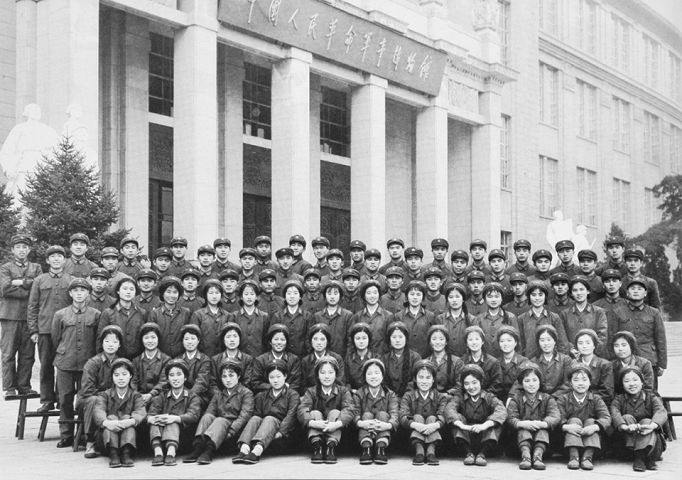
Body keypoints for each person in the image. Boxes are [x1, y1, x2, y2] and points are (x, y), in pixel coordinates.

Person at [51, 278, 100, 448]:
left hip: (87, 363)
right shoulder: (60, 314)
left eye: (83, 290)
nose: (79, 294)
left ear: (88, 293)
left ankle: (84, 433)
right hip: (65, 362)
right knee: (64, 398)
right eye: (76, 291)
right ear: (70, 293)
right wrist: (65, 351)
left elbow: (97, 339)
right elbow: (56, 338)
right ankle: (66, 434)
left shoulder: (95, 314)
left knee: (84, 399)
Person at [28, 245, 73, 411]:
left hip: (66, 330)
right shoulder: (39, 280)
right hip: (45, 330)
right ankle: (47, 400)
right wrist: (34, 330)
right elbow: (32, 306)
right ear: (47, 260)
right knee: (46, 366)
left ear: (64, 260)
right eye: (53, 256)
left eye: (59, 256)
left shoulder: (71, 280)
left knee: (63, 367)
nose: (56, 259)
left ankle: (62, 400)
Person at [185, 358, 254, 465]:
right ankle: (198, 448)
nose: (228, 380)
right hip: (216, 430)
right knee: (207, 417)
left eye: (231, 375)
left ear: (239, 376)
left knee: (220, 420)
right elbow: (210, 411)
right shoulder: (219, 394)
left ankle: (209, 451)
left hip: (233, 432)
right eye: (224, 376)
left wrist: (231, 431)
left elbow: (244, 416)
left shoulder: (246, 393)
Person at [232, 359, 299, 464]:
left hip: (281, 436)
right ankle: (244, 449)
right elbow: (258, 416)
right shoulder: (261, 396)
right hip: (263, 434)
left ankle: (256, 452)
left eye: (278, 377)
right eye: (271, 377)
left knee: (269, 418)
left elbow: (291, 416)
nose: (275, 380)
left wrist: (280, 433)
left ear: (285, 376)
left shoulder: (292, 395)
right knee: (255, 418)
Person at [0, 234, 42, 399]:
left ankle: (24, 386)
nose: (22, 250)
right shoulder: (5, 268)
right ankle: (10, 387)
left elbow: (38, 287)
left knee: (27, 354)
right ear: (12, 249)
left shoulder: (36, 267)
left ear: (29, 249)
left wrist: (18, 282)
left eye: (25, 247)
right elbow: (5, 289)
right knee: (8, 353)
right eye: (18, 247)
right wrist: (28, 285)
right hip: (10, 316)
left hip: (29, 317)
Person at [608, 277, 667, 391]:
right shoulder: (617, 312)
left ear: (645, 293)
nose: (636, 291)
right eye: (632, 288)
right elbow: (612, 338)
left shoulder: (654, 313)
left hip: (649, 358)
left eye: (639, 289)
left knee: (650, 391)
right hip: (624, 359)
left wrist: (662, 363)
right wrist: (614, 360)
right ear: (627, 293)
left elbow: (660, 339)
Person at [297, 356, 354, 464]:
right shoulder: (311, 392)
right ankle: (317, 447)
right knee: (314, 413)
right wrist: (313, 423)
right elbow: (302, 409)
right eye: (323, 373)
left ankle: (330, 448)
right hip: (316, 429)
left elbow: (349, 409)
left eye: (330, 372)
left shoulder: (343, 391)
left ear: (336, 374)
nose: (327, 376)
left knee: (335, 412)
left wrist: (336, 424)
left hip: (336, 432)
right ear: (318, 375)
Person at [78, 325, 124, 459]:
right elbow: (87, 389)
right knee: (94, 401)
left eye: (114, 341)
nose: (111, 345)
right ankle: (90, 441)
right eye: (107, 341)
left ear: (119, 344)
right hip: (89, 400)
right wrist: (106, 397)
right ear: (102, 343)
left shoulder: (121, 363)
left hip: (112, 399)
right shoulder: (93, 363)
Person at [610, 365, 667, 472]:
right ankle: (643, 457)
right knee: (626, 417)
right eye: (627, 381)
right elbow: (614, 413)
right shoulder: (619, 399)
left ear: (642, 382)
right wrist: (625, 427)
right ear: (622, 384)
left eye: (635, 380)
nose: (632, 384)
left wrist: (652, 426)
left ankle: (640, 457)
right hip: (627, 448)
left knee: (647, 421)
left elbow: (661, 412)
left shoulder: (651, 397)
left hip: (652, 446)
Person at [506, 361, 560, 470]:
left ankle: (537, 457)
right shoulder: (516, 399)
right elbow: (510, 417)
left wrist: (541, 424)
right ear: (521, 383)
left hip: (544, 446)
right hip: (518, 445)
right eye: (527, 381)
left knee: (542, 430)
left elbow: (555, 416)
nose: (531, 384)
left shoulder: (547, 398)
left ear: (540, 381)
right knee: (523, 429)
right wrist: (521, 423)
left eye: (535, 380)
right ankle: (525, 456)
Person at [147, 359, 202, 466]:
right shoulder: (162, 396)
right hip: (161, 438)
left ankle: (171, 454)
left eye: (179, 374)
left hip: (182, 439)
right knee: (155, 420)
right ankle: (158, 453)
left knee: (173, 421)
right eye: (171, 375)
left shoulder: (192, 396)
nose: (175, 378)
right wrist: (152, 419)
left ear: (185, 377)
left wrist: (175, 418)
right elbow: (150, 414)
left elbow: (193, 415)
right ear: (168, 379)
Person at [556, 364, 611, 470]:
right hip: (569, 443)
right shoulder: (563, 399)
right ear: (570, 383)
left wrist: (594, 427)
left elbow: (606, 417)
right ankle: (574, 456)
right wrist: (567, 427)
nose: (580, 383)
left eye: (584, 380)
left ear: (590, 382)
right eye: (576, 380)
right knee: (574, 420)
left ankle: (588, 456)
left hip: (593, 443)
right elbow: (557, 417)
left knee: (591, 421)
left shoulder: (596, 399)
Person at [93, 358, 146, 468]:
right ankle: (113, 454)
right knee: (111, 417)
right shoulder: (104, 395)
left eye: (124, 374)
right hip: (106, 440)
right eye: (116, 375)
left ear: (130, 376)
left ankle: (126, 453)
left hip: (131, 440)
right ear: (112, 377)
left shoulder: (136, 396)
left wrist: (128, 422)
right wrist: (108, 423)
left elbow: (140, 412)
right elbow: (98, 411)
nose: (120, 378)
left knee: (127, 417)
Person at [451, 363, 507, 466]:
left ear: (481, 382)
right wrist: (462, 425)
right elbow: (449, 409)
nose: (471, 387)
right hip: (467, 436)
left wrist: (485, 425)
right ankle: (468, 453)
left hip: (485, 438)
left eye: (474, 383)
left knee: (496, 422)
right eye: (467, 383)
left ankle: (482, 454)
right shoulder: (459, 397)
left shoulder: (489, 397)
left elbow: (501, 410)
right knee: (456, 419)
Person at [399, 359, 450, 466]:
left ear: (433, 379)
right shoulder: (408, 396)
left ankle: (431, 452)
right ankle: (419, 451)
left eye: (428, 378)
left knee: (432, 418)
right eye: (421, 377)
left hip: (435, 435)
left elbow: (443, 416)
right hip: (412, 439)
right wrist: (415, 425)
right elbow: (403, 415)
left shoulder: (440, 397)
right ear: (415, 379)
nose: (424, 381)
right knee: (417, 416)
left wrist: (434, 425)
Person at [352, 358, 399, 465]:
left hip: (383, 427)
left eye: (377, 373)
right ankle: (366, 448)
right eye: (369, 374)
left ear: (382, 376)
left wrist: (386, 425)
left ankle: (380, 449)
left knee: (382, 414)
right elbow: (355, 413)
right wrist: (362, 423)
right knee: (367, 414)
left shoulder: (390, 394)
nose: (373, 376)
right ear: (365, 376)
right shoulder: (359, 394)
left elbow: (395, 415)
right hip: (364, 427)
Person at [517, 280, 569, 359]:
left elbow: (563, 344)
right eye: (533, 295)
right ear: (529, 297)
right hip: (529, 361)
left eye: (540, 295)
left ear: (545, 296)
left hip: (551, 362)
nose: (537, 298)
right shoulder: (521, 319)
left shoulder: (554, 317)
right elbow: (520, 345)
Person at [560, 276, 607, 358]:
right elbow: (562, 337)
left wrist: (590, 352)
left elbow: (602, 337)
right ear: (571, 293)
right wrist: (571, 349)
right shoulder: (564, 314)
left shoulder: (598, 312)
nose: (579, 293)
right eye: (575, 290)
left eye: (582, 289)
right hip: (572, 358)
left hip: (593, 357)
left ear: (588, 291)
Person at [252, 323, 302, 394]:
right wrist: (276, 387)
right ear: (270, 341)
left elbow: (295, 383)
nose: (279, 342)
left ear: (286, 342)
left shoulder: (294, 360)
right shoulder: (261, 360)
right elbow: (255, 383)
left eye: (282, 339)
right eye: (276, 339)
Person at [269, 279, 313, 358]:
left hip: (302, 357)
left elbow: (309, 340)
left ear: (300, 296)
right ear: (285, 296)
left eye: (295, 293)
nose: (292, 296)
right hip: (282, 357)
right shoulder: (277, 316)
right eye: (289, 293)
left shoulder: (307, 316)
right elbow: (272, 338)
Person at [150, 276, 191, 358]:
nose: (172, 295)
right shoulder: (154, 314)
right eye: (168, 292)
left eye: (175, 292)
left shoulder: (186, 312)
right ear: (162, 293)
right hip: (160, 357)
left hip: (181, 357)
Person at [473, 282, 518, 358]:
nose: (493, 300)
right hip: (486, 360)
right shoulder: (479, 319)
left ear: (502, 298)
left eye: (497, 296)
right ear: (484, 299)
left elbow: (517, 343)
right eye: (490, 297)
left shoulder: (510, 317)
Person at [529, 325, 575, 398]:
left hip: (561, 399)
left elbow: (568, 383)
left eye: (549, 339)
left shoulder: (566, 360)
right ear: (538, 342)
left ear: (555, 341)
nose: (546, 343)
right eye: (542, 340)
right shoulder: (533, 362)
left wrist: (553, 397)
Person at [131, 322, 170, 408]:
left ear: (158, 339)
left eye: (153, 337)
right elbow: (133, 382)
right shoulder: (136, 361)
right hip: (139, 398)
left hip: (159, 398)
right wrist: (137, 396)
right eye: (146, 338)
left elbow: (163, 382)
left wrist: (151, 394)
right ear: (142, 340)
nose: (150, 341)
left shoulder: (166, 360)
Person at [190, 279, 231, 357]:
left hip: (223, 357)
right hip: (203, 356)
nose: (214, 296)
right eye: (211, 293)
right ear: (205, 295)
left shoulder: (227, 315)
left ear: (221, 295)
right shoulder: (198, 315)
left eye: (217, 293)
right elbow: (193, 338)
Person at [209, 322, 254, 394]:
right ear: (223, 340)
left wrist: (233, 396)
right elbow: (213, 384)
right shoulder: (215, 359)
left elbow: (247, 382)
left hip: (240, 396)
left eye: (235, 336)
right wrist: (221, 397)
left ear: (239, 338)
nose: (232, 340)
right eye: (228, 337)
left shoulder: (247, 359)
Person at [351, 279, 394, 354]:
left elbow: (390, 340)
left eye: (375, 293)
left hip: (382, 356)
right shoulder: (357, 316)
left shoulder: (388, 316)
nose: (372, 296)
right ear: (364, 295)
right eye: (368, 293)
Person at [393, 280, 434, 358]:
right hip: (405, 357)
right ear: (407, 296)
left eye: (418, 294)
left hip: (425, 357)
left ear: (423, 297)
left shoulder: (430, 316)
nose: (415, 297)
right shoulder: (398, 316)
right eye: (412, 294)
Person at [312, 280, 353, 357]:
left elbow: (350, 340)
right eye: (329, 293)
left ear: (340, 296)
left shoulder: (348, 316)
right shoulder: (317, 316)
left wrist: (347, 358)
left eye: (335, 293)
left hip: (342, 357)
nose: (332, 297)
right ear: (325, 296)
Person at [300, 323, 346, 392]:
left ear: (327, 341)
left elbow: (340, 383)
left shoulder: (337, 358)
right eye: (315, 339)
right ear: (311, 341)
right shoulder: (306, 361)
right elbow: (303, 387)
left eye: (322, 339)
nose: (319, 343)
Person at [574, 328, 614, 406]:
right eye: (580, 343)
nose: (584, 346)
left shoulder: (605, 365)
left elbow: (607, 393)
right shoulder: (573, 364)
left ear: (594, 345)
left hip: (597, 405)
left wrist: (586, 400)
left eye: (588, 343)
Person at [176, 324, 212, 410]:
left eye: (193, 339)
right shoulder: (177, 360)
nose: (189, 342)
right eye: (186, 339)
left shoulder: (205, 360)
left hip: (199, 396)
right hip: (180, 395)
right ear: (182, 341)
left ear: (198, 340)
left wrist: (187, 396)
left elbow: (202, 382)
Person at [381, 321, 421, 397]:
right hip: (389, 397)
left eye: (400, 337)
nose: (397, 340)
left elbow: (415, 381)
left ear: (406, 338)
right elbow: (383, 382)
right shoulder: (384, 359)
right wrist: (391, 395)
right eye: (394, 337)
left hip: (410, 397)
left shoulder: (415, 358)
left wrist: (405, 395)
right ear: (389, 339)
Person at [460, 325, 502, 397]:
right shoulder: (462, 361)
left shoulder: (493, 362)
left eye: (477, 339)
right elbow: (460, 384)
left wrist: (482, 396)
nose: (474, 342)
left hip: (487, 398)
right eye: (470, 340)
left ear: (482, 341)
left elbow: (497, 385)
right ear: (466, 343)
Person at [231, 278, 269, 358]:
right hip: (239, 358)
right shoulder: (234, 316)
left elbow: (266, 340)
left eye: (252, 294)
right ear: (241, 297)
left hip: (258, 357)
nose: (249, 297)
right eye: (246, 294)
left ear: (256, 296)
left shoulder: (264, 316)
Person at [434, 282, 474, 357]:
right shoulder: (440, 319)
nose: (454, 300)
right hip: (446, 359)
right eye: (451, 297)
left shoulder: (472, 319)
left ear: (463, 299)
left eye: (457, 297)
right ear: (447, 299)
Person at [610, 331, 655, 395]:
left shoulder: (645, 364)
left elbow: (648, 388)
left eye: (624, 345)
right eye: (616, 345)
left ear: (631, 346)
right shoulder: (610, 365)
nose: (620, 349)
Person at [425, 324, 464, 394]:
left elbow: (460, 385)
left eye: (441, 339)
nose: (437, 342)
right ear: (430, 342)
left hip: (451, 397)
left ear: (446, 342)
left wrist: (447, 394)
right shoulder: (426, 362)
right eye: (434, 339)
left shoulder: (457, 362)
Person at [496, 325, 528, 403]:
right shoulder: (496, 362)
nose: (505, 344)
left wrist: (511, 397)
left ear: (515, 342)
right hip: (499, 400)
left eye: (509, 340)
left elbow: (521, 383)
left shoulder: (523, 361)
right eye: (502, 341)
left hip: (518, 399)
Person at [344, 322, 378, 393]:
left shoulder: (376, 358)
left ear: (369, 339)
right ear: (353, 340)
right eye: (358, 338)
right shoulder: (348, 358)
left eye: (364, 338)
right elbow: (346, 381)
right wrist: (351, 390)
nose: (361, 341)